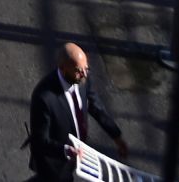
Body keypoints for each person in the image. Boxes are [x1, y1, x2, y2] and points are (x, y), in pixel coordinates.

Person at [28, 42, 130, 181]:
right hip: (55, 163)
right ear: (63, 69)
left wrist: (116, 136)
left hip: (76, 152)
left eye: (86, 68)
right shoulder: (44, 98)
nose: (84, 74)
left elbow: (96, 107)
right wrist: (66, 150)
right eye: (78, 70)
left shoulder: (82, 78)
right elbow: (41, 140)